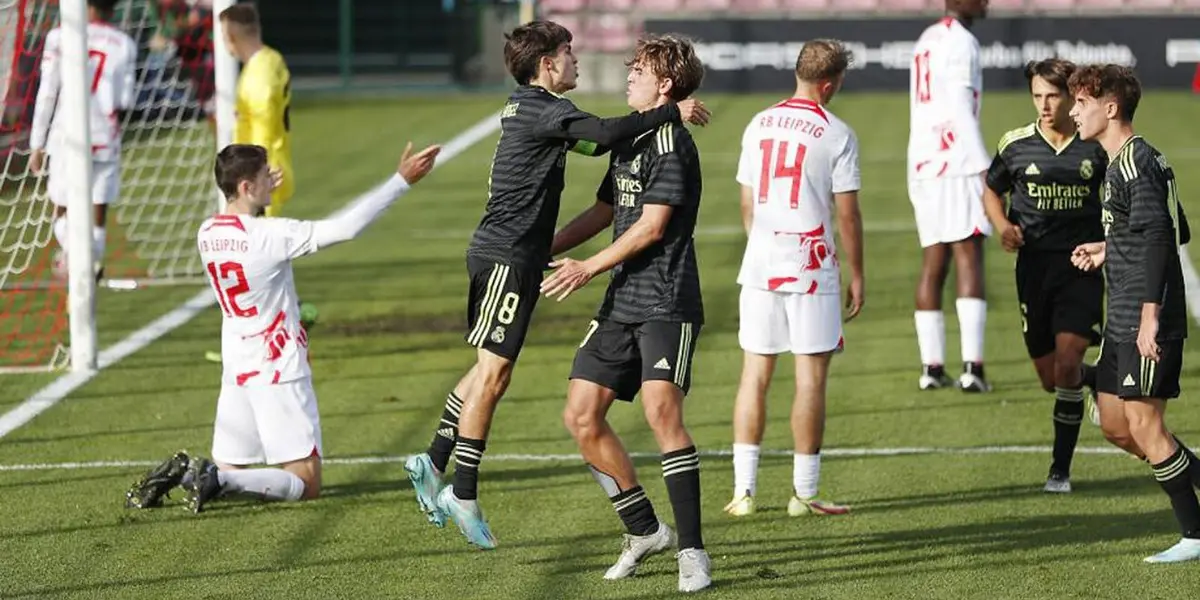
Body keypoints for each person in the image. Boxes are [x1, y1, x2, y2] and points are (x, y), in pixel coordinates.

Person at [402, 20, 709, 550]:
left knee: (485, 368)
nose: (577, 60)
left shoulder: (534, 109)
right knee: (494, 375)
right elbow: (610, 134)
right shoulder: (546, 108)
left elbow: (601, 155)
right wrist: (668, 111)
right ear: (547, 64)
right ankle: (464, 491)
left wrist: (557, 245)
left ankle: (431, 461)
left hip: (513, 254)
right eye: (569, 52)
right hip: (508, 256)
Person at [124, 141, 440, 513]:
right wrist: (400, 181)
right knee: (306, 484)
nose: (271, 181)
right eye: (264, 177)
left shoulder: (207, 233)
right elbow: (346, 228)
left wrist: (259, 197)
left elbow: (242, 229)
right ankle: (211, 479)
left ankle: (189, 478)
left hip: (237, 366)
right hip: (278, 368)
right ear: (245, 186)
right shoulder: (270, 237)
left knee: (232, 465)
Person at [546, 33, 709, 592]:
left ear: (664, 84)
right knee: (580, 415)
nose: (628, 74)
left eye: (639, 69)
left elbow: (652, 226)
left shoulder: (673, 145)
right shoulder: (633, 138)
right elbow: (605, 209)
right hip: (622, 302)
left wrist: (586, 267)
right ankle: (644, 530)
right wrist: (544, 248)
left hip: (667, 300)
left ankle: (692, 553)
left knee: (663, 414)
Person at [721, 39, 863, 520]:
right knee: (810, 381)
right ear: (830, 83)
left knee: (754, 376)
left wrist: (762, 244)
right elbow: (848, 217)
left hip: (761, 263)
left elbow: (745, 204)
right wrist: (858, 273)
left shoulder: (758, 122)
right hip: (810, 266)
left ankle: (743, 493)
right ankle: (803, 494)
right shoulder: (837, 133)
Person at [1068, 63, 1200, 563]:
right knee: (1116, 426)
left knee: (1146, 427)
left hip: (1144, 314)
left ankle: (1194, 534)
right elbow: (1170, 225)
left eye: (1080, 103)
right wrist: (1109, 246)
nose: (1073, 112)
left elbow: (1165, 240)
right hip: (1122, 309)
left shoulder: (1135, 164)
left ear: (1110, 107)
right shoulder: (1122, 161)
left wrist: (1150, 317)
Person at [982, 58, 1107, 493]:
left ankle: (1060, 470)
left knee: (1069, 361)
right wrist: (1003, 227)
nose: (1044, 104)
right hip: (1033, 270)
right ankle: (1098, 381)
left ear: (1072, 96)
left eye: (1052, 95)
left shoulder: (1096, 146)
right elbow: (991, 189)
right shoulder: (1016, 144)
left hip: (1081, 265)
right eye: (1037, 95)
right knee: (1052, 378)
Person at [206, 3, 315, 364]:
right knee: (260, 258)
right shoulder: (270, 60)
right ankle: (284, 323)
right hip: (263, 174)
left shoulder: (257, 78)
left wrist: (262, 174)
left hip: (258, 180)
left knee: (255, 260)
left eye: (224, 36)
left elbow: (265, 120)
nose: (225, 44)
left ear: (231, 37)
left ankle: (271, 336)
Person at [907, 0, 992, 392]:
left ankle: (931, 367)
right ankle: (973, 367)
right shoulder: (962, 42)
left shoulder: (926, 38)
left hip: (923, 160)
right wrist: (982, 165)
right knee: (969, 252)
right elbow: (959, 107)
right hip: (955, 159)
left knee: (933, 259)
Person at [29, 0, 137, 282]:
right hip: (105, 136)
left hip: (67, 136)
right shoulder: (124, 43)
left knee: (62, 208)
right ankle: (89, 262)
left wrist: (36, 143)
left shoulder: (59, 36)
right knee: (98, 208)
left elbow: (47, 93)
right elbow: (125, 100)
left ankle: (79, 260)